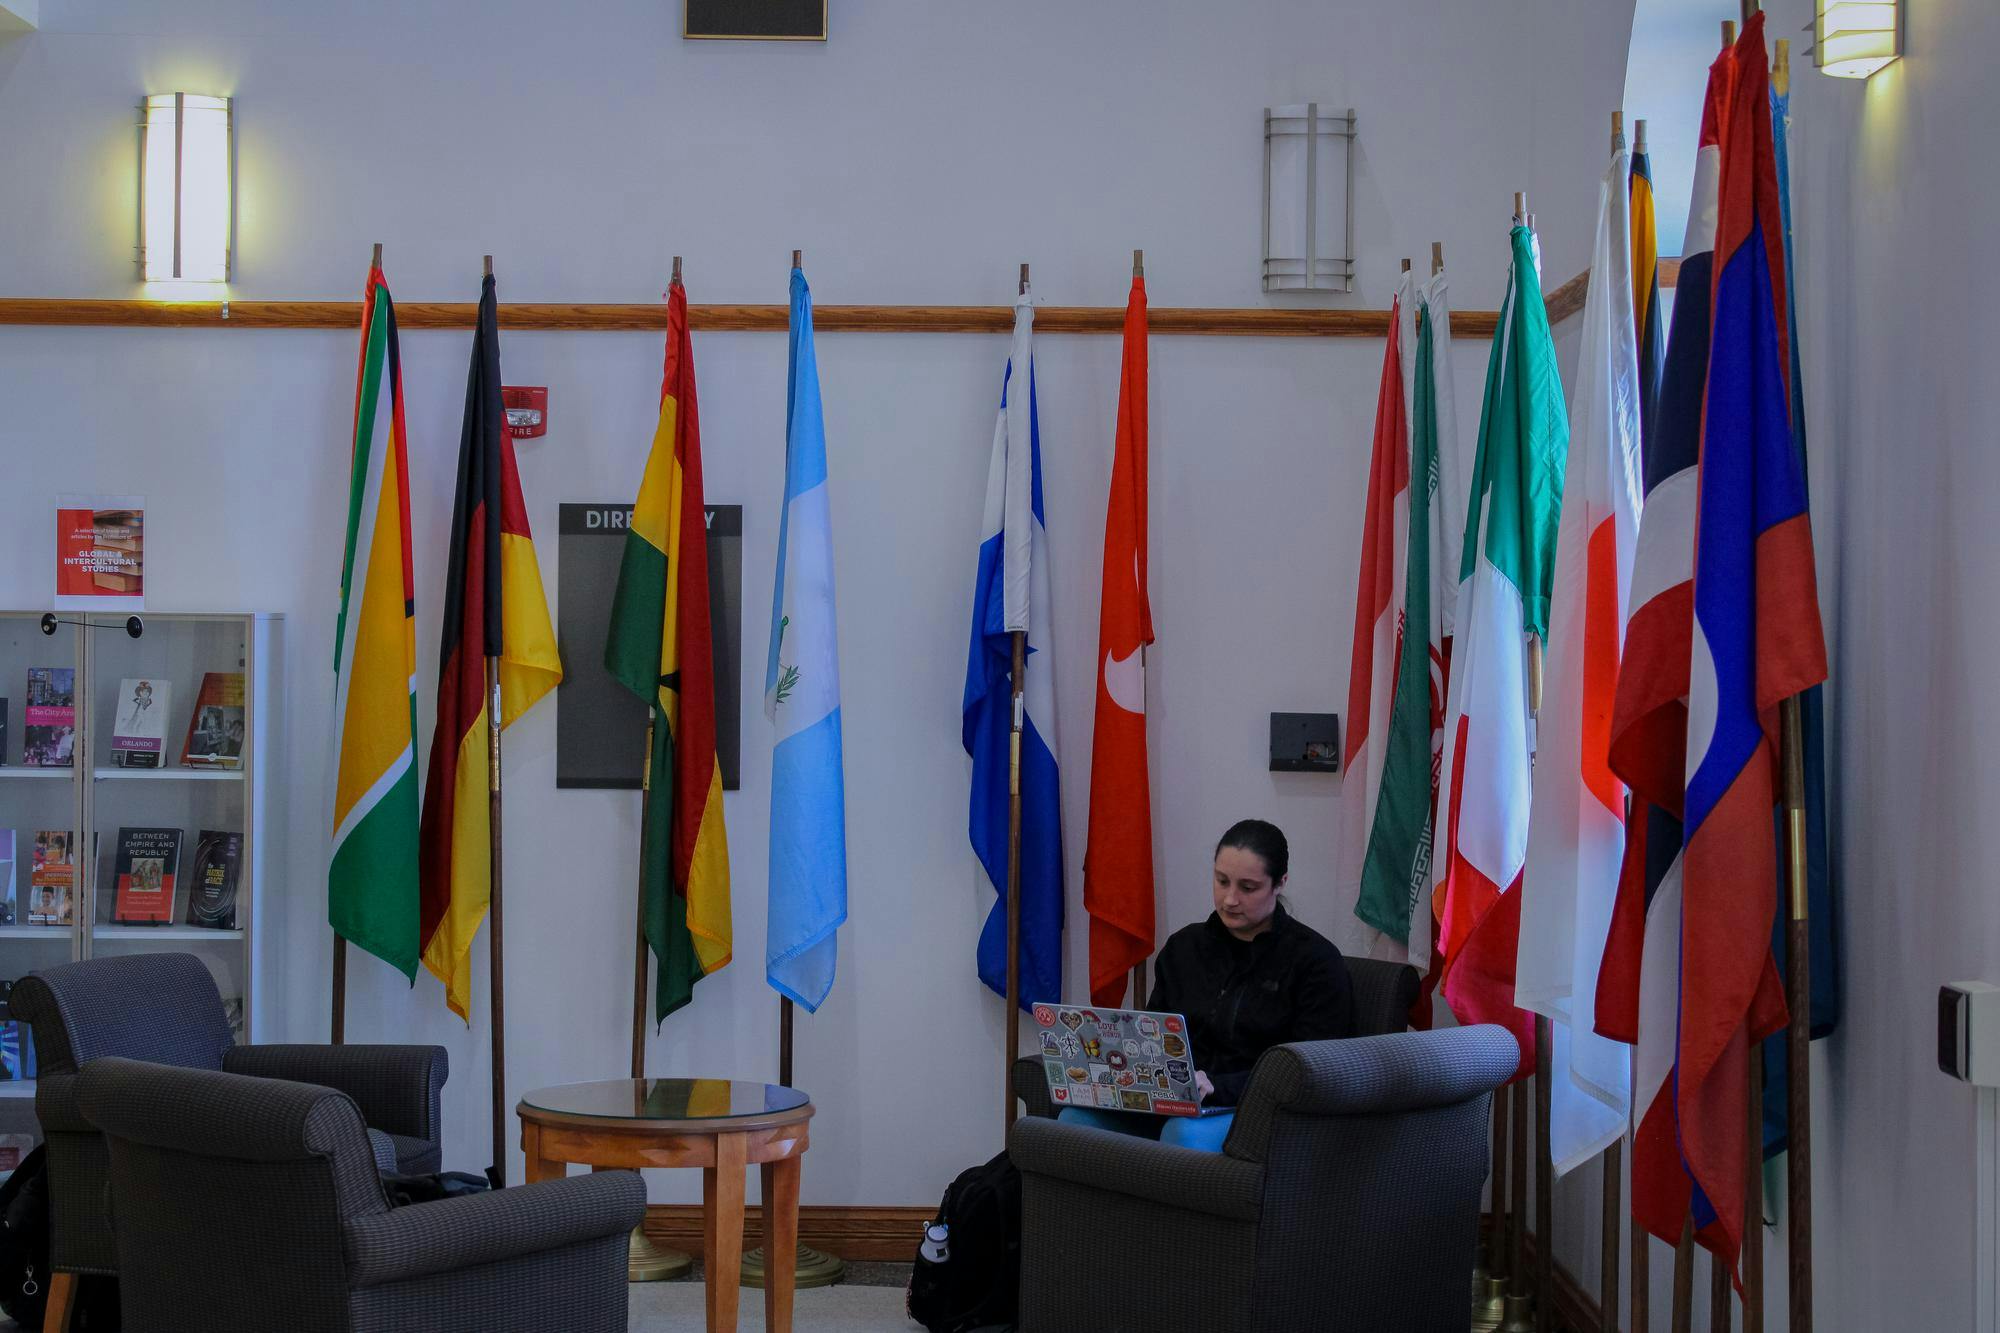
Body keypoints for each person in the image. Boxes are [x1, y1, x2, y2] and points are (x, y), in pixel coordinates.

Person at [1056, 819, 1354, 1151]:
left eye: (1248, 887)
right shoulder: (1184, 947)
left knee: (1183, 1134)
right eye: (1221, 881)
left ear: (1280, 883)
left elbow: (1309, 1068)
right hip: (1177, 1099)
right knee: (1074, 1121)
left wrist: (1215, 1086)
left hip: (1253, 1106)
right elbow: (1155, 1036)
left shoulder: (1315, 961)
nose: (1229, 899)